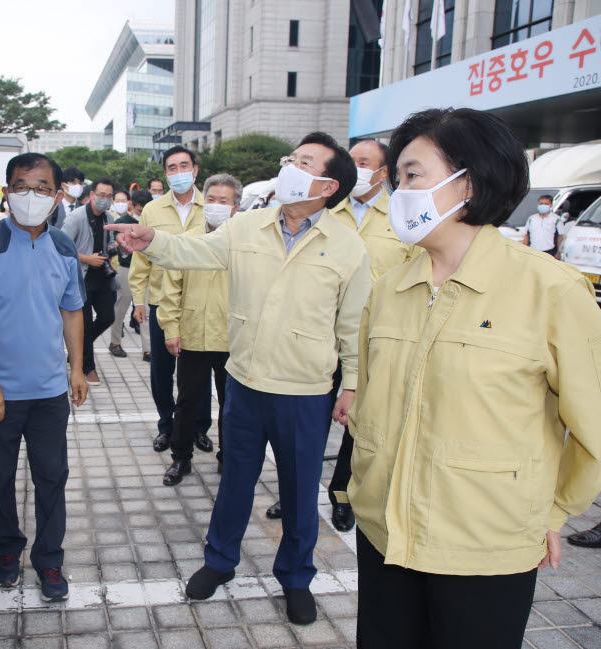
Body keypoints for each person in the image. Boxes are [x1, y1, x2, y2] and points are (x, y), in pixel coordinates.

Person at [348, 108, 601, 649]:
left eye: (412, 176)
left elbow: (593, 425)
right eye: (397, 179)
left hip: (485, 546)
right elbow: (368, 405)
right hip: (383, 535)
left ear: (470, 181)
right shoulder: (389, 288)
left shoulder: (550, 291)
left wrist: (554, 510)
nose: (399, 193)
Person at [109, 132, 368, 625]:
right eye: (292, 157)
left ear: (328, 183)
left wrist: (351, 383)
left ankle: (295, 576)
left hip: (305, 390)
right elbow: (198, 252)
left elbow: (353, 324)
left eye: (305, 161)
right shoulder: (249, 225)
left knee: (297, 489)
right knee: (235, 482)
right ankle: (219, 561)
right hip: (246, 381)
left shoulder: (348, 246)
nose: (291, 165)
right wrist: (153, 240)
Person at [0, 152, 88, 603]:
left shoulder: (64, 246)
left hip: (48, 391)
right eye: (22, 186)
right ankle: (7, 549)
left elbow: (71, 311)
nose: (33, 195)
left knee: (52, 477)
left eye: (43, 187)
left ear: (57, 195)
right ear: (7, 192)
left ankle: (49, 560)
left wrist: (76, 367)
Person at [265, 138, 417, 532]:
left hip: (375, 339)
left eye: (365, 162)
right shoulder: (326, 207)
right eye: (353, 160)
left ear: (384, 172)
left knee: (355, 420)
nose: (357, 166)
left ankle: (343, 493)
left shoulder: (402, 216)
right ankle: (294, 492)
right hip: (314, 335)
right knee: (309, 424)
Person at [128, 146, 212, 452]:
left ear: (195, 170)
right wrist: (138, 299)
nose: (179, 173)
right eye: (172, 168)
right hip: (162, 302)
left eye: (184, 166)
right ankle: (167, 426)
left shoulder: (211, 206)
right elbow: (141, 259)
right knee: (161, 371)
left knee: (198, 372)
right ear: (166, 174)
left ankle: (198, 427)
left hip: (200, 302)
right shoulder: (153, 210)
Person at [159, 174, 241, 486]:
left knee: (231, 404)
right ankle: (181, 458)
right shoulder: (188, 238)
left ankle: (228, 458)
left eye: (225, 201)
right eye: (213, 199)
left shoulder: (244, 242)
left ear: (236, 207)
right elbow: (170, 288)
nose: (217, 206)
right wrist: (170, 328)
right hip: (192, 332)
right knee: (187, 400)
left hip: (232, 336)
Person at [62, 178, 119, 386]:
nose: (105, 200)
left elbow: (110, 243)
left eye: (109, 196)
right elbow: (62, 248)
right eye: (101, 195)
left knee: (107, 317)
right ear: (92, 195)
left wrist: (117, 248)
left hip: (102, 277)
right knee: (83, 324)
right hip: (81, 277)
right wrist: (87, 258)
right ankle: (88, 367)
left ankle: (78, 347)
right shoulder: (75, 218)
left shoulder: (109, 217)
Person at [110, 190, 150, 359]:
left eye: (145, 210)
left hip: (147, 271)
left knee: (146, 308)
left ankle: (148, 349)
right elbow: (118, 245)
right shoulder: (122, 222)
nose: (142, 214)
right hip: (126, 268)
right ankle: (115, 342)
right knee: (121, 306)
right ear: (132, 205)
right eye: (140, 210)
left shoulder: (152, 223)